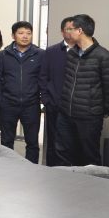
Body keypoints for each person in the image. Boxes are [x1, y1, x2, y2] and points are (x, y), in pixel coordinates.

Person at [56, 14, 109, 166]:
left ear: (80, 30)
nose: (68, 32)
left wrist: (102, 110)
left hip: (89, 117)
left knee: (89, 156)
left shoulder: (103, 56)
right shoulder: (71, 54)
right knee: (62, 153)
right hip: (66, 114)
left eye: (70, 29)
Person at [0, 21, 44, 163]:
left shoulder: (40, 54)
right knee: (7, 142)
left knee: (32, 142)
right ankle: (7, 169)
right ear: (13, 35)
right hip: (8, 104)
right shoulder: (4, 55)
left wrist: (42, 98)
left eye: (28, 33)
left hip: (31, 105)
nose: (25, 36)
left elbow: (44, 78)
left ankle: (32, 170)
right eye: (21, 33)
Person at [38, 17, 75, 166]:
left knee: (74, 144)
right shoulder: (52, 51)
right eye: (68, 29)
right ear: (62, 32)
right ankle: (51, 173)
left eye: (75, 29)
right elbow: (43, 77)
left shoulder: (83, 51)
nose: (71, 32)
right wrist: (46, 100)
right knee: (53, 143)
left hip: (77, 107)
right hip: (54, 105)